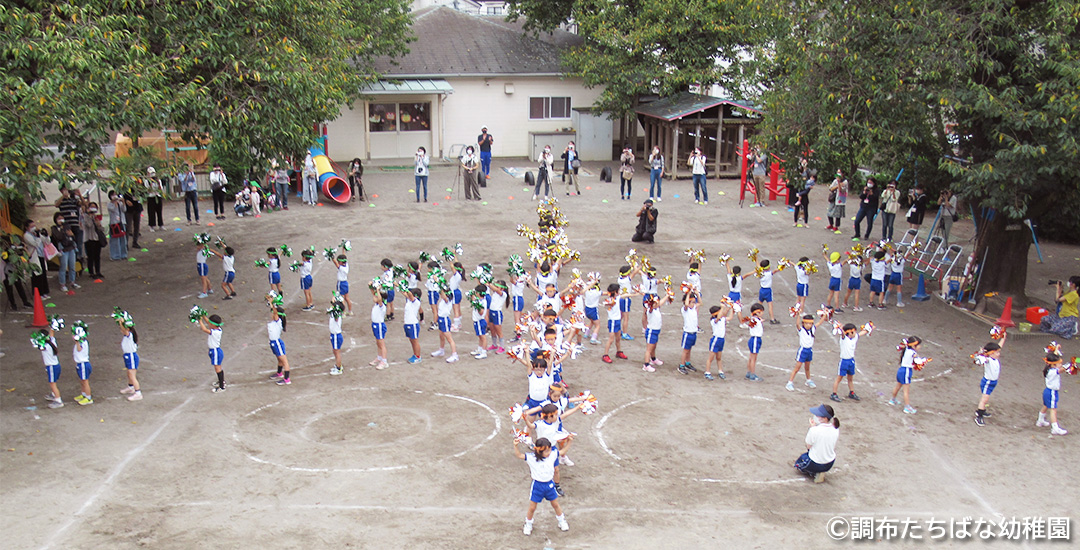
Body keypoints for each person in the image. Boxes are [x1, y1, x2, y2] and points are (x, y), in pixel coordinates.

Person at [513, 437, 568, 536]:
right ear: (539, 451)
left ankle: (562, 521)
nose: (549, 452)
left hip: (549, 485)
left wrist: (570, 441)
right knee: (532, 507)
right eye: (547, 450)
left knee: (555, 504)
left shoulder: (552, 455)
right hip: (537, 486)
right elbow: (519, 455)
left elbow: (563, 450)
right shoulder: (531, 458)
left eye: (550, 449)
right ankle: (528, 524)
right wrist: (515, 446)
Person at [794, 404, 840, 483]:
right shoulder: (835, 429)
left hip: (816, 462)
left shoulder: (814, 430)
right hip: (830, 462)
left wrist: (812, 427)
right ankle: (820, 471)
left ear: (825, 418)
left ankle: (814, 473)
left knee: (799, 463)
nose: (816, 416)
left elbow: (808, 447)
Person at [786, 313, 828, 391]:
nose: (808, 325)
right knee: (797, 367)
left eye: (810, 323)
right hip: (803, 351)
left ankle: (808, 380)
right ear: (803, 323)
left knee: (807, 367)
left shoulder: (813, 329)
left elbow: (819, 322)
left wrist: (825, 315)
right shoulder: (801, 330)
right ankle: (790, 382)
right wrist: (798, 315)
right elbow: (797, 324)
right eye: (806, 323)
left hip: (809, 350)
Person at [829, 323, 870, 402]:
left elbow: (862, 333)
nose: (855, 333)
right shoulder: (844, 339)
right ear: (849, 332)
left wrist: (868, 328)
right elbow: (843, 334)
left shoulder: (854, 338)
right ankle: (834, 394)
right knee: (839, 378)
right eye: (854, 332)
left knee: (850, 378)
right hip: (844, 361)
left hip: (851, 361)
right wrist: (840, 328)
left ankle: (851, 392)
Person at [973, 333, 1006, 426]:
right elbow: (980, 360)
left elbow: (999, 346)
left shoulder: (993, 358)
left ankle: (982, 410)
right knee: (984, 399)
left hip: (993, 382)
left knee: (986, 399)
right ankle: (979, 416)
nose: (999, 354)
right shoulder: (988, 360)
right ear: (991, 353)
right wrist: (980, 354)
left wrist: (1003, 337)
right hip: (988, 382)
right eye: (997, 352)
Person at [1036, 351, 1069, 435]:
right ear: (1053, 364)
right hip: (1052, 392)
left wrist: (1056, 350)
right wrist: (1069, 364)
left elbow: (1053, 358)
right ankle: (1055, 428)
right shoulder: (1053, 372)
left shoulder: (1050, 368)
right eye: (1059, 363)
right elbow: (1062, 370)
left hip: (1047, 392)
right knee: (1053, 410)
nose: (1060, 364)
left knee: (1046, 406)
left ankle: (1040, 420)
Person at [888, 336, 923, 414]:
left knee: (898, 386)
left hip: (901, 370)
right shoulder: (913, 353)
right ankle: (907, 407)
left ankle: (893, 399)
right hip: (906, 371)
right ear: (914, 345)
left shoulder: (906, 349)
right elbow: (918, 361)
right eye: (919, 345)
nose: (920, 347)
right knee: (906, 390)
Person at [34, 328, 65, 409]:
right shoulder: (52, 342)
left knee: (52, 384)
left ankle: (58, 401)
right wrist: (52, 328)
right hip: (56, 365)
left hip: (51, 367)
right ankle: (53, 394)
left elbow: (38, 346)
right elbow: (52, 334)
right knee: (53, 382)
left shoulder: (45, 346)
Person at [197, 314, 227, 392]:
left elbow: (204, 329)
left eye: (210, 323)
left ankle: (222, 387)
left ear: (213, 324)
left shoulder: (215, 332)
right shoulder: (218, 328)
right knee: (218, 367)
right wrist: (203, 316)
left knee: (217, 368)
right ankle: (221, 381)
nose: (209, 324)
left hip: (215, 351)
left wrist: (200, 320)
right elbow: (208, 322)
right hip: (214, 351)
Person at [50, 212, 78, 294]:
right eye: (59, 218)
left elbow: (72, 236)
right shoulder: (54, 228)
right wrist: (62, 230)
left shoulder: (67, 226)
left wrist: (72, 234)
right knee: (63, 267)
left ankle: (72, 282)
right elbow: (58, 237)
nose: (61, 220)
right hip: (62, 250)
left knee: (72, 266)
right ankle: (62, 284)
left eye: (62, 218)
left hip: (71, 248)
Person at [22, 220, 51, 298]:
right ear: (26, 227)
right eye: (31, 226)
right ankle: (38, 294)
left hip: (41, 256)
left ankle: (44, 292)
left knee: (43, 274)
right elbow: (35, 244)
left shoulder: (36, 234)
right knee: (37, 276)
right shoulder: (26, 235)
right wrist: (38, 237)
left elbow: (47, 242)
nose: (33, 228)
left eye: (34, 226)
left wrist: (46, 235)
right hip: (34, 257)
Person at [117, 313, 142, 401]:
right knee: (129, 373)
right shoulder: (128, 335)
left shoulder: (129, 335)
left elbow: (124, 330)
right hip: (128, 356)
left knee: (132, 375)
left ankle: (138, 393)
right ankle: (131, 387)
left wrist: (121, 322)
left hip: (131, 356)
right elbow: (124, 330)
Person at [55, 186, 84, 261]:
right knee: (69, 242)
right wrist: (63, 196)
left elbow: (84, 204)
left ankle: (78, 258)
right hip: (67, 225)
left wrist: (80, 195)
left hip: (75, 224)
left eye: (66, 189)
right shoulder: (60, 200)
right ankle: (70, 259)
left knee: (77, 243)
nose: (66, 191)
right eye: (64, 190)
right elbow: (56, 205)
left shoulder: (73, 200)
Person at [80, 201, 105, 279]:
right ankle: (91, 272)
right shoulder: (85, 216)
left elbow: (102, 229)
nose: (93, 208)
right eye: (91, 207)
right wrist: (90, 216)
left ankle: (98, 271)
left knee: (97, 256)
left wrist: (99, 224)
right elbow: (89, 225)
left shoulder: (96, 217)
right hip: (89, 239)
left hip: (97, 238)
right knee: (90, 256)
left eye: (94, 207)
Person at [266, 305, 291, 385]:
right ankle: (279, 373)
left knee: (284, 361)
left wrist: (271, 303)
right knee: (279, 359)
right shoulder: (274, 322)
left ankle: (287, 379)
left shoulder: (278, 321)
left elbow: (275, 312)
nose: (271, 314)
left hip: (277, 343)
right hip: (273, 343)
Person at [852, 177, 879, 241]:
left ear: (874, 183)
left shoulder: (876, 190)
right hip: (863, 207)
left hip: (871, 208)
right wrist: (864, 192)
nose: (869, 184)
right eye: (868, 182)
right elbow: (861, 197)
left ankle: (867, 235)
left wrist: (871, 194)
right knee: (857, 221)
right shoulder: (865, 188)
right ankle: (857, 233)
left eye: (871, 183)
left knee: (869, 222)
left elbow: (875, 198)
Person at [744, 303, 765, 380]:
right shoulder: (754, 320)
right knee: (753, 358)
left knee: (751, 357)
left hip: (754, 339)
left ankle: (749, 372)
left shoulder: (755, 319)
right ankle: (752, 374)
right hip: (756, 339)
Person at [369, 288, 389, 370]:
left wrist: (378, 290)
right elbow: (374, 295)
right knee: (378, 343)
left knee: (381, 344)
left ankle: (384, 361)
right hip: (375, 325)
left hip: (379, 325)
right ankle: (379, 357)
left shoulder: (382, 305)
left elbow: (379, 298)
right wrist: (371, 287)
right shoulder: (377, 304)